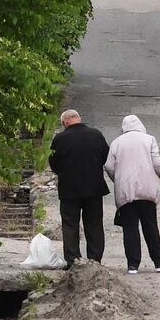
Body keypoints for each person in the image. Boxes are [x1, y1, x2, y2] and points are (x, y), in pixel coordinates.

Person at [105, 114, 160, 275]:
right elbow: (157, 163)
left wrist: (118, 180)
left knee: (130, 228)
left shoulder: (116, 143)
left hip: (125, 192)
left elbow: (109, 166)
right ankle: (159, 262)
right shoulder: (149, 139)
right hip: (147, 191)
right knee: (150, 226)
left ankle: (133, 265)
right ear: (140, 125)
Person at [48, 108, 109, 267]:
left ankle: (73, 260)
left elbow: (54, 164)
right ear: (79, 119)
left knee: (70, 225)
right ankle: (95, 260)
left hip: (69, 189)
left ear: (64, 123)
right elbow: (105, 157)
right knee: (94, 223)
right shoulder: (96, 135)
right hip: (94, 188)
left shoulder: (60, 139)